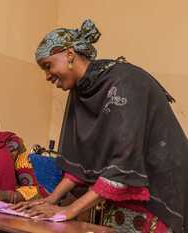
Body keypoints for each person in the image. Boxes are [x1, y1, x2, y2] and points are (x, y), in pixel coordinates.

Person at [11, 19, 186, 233]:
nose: (47, 76)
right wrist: (51, 200)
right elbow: (80, 164)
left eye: (48, 66)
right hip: (124, 188)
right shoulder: (80, 90)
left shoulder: (125, 83)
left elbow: (122, 166)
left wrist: (68, 211)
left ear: (69, 55)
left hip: (159, 189)